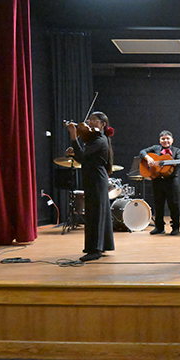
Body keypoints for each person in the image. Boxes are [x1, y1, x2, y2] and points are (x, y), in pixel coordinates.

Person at [66, 112, 115, 262]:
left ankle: (95, 250)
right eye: (90, 120)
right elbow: (82, 158)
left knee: (95, 214)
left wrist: (74, 137)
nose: (91, 122)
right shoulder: (94, 139)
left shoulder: (100, 140)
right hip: (92, 178)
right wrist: (74, 154)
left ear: (102, 125)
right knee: (97, 213)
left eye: (95, 120)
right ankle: (100, 245)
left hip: (96, 179)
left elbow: (83, 154)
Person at [138, 130, 180, 236]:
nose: (165, 141)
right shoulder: (155, 148)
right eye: (163, 139)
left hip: (171, 181)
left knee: (173, 204)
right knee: (158, 204)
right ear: (160, 140)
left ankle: (175, 227)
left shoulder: (176, 151)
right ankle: (159, 227)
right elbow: (142, 152)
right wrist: (148, 158)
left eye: (168, 139)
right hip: (157, 180)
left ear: (172, 140)